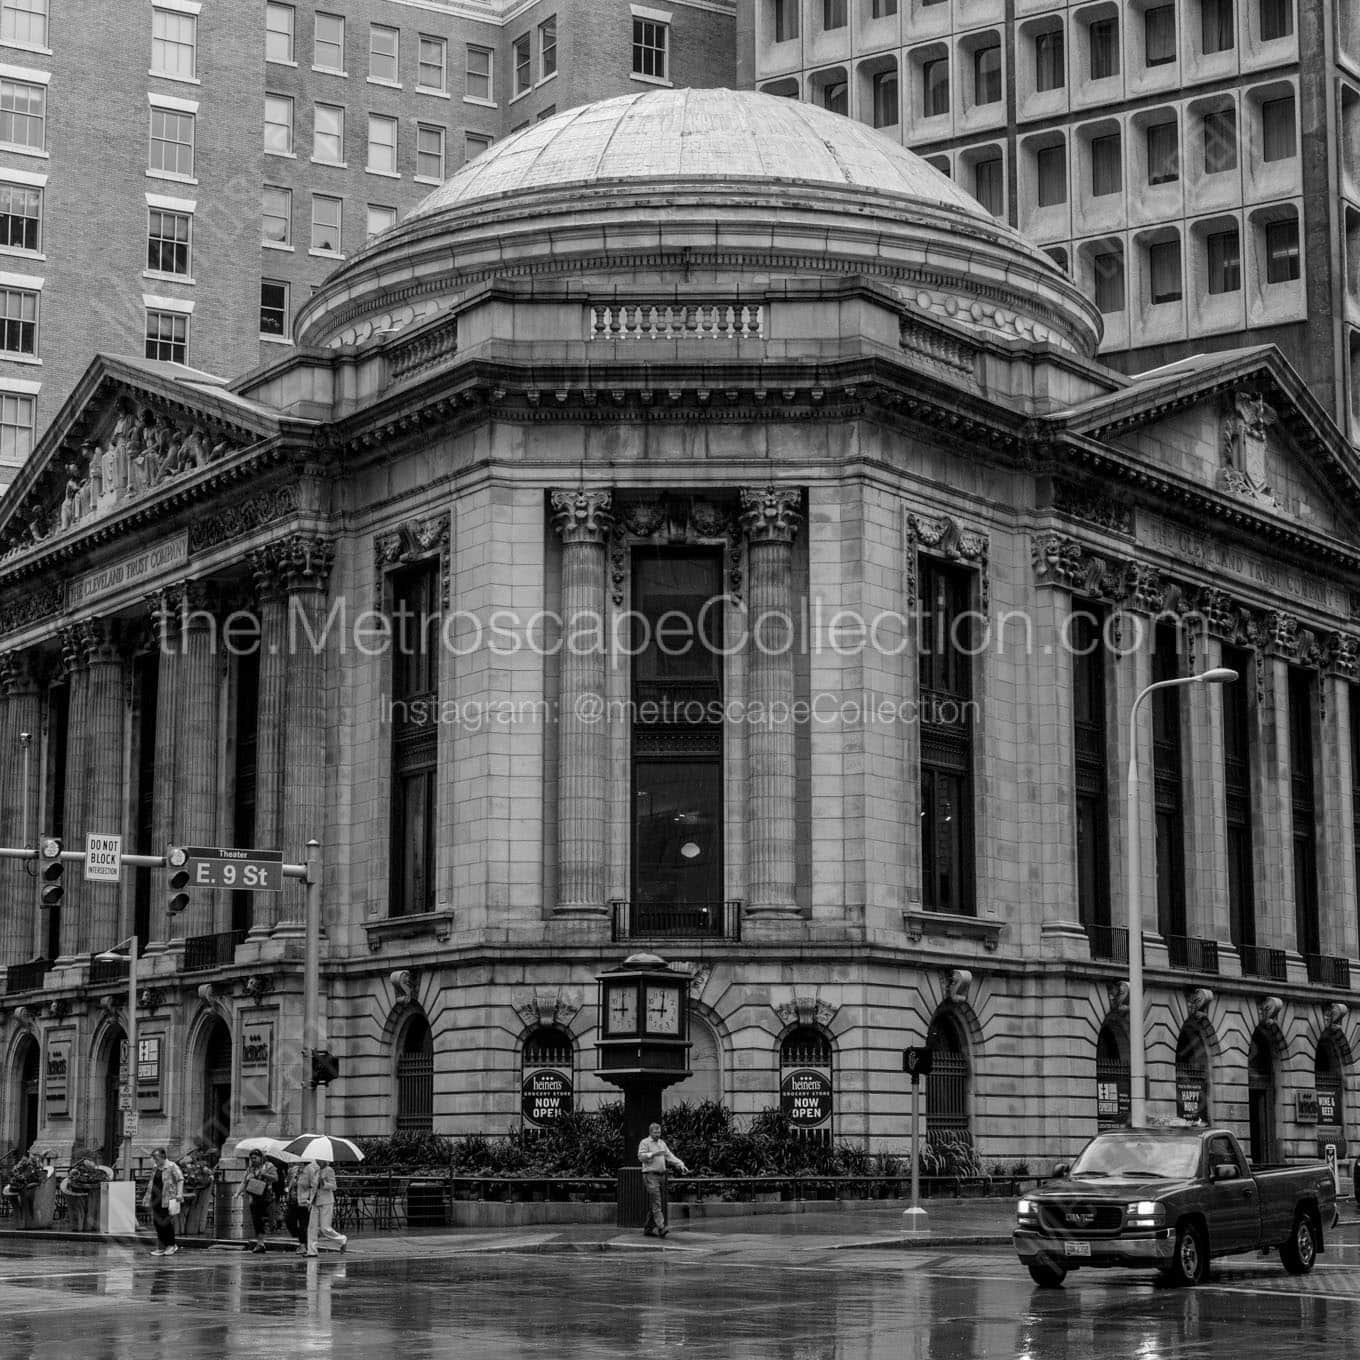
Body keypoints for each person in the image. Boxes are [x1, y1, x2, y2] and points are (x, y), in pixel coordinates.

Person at [637, 1121, 687, 1238]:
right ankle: (661, 1227)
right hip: (650, 1175)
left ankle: (648, 1228)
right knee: (657, 1202)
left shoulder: (662, 1143)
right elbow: (641, 1157)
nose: (658, 1134)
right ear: (650, 1132)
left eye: (659, 1132)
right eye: (655, 1132)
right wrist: (653, 1154)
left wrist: (680, 1164)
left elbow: (669, 1156)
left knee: (656, 1202)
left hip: (661, 1176)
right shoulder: (645, 1142)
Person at [236, 1149, 279, 1254]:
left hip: (267, 1197)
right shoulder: (250, 1169)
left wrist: (265, 1174)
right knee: (257, 1220)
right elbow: (244, 1181)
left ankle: (274, 1223)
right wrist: (237, 1193)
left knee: (270, 1220)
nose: (253, 1160)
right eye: (251, 1158)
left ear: (260, 1157)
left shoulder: (269, 1166)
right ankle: (260, 1243)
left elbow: (275, 1178)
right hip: (255, 1197)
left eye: (255, 1158)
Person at [144, 1148, 184, 1256]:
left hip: (167, 1198)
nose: (155, 1160)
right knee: (157, 1222)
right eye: (154, 1158)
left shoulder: (171, 1166)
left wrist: (179, 1194)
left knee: (165, 1222)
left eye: (156, 1158)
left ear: (162, 1157)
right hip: (155, 1198)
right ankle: (161, 1246)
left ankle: (171, 1245)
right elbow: (152, 1181)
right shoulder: (155, 1167)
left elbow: (180, 1179)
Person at [303, 1159, 347, 1256]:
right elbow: (313, 1186)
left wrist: (323, 1183)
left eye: (320, 1160)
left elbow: (334, 1186)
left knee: (325, 1228)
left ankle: (341, 1239)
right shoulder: (316, 1171)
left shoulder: (329, 1170)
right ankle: (312, 1251)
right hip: (315, 1201)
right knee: (312, 1227)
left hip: (326, 1201)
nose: (318, 1161)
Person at [283, 1161, 310, 1253]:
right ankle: (304, 1239)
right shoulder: (293, 1170)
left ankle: (303, 1245)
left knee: (303, 1224)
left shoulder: (310, 1170)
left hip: (304, 1201)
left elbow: (312, 1185)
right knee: (289, 1221)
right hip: (292, 1200)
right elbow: (289, 1183)